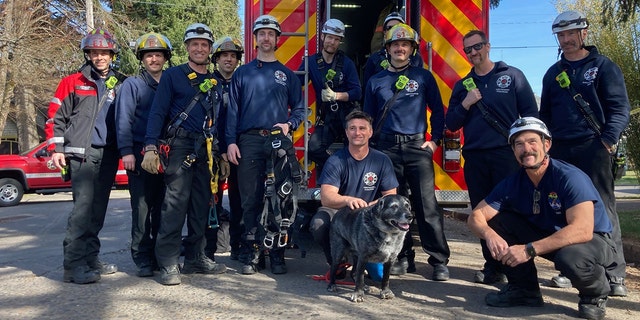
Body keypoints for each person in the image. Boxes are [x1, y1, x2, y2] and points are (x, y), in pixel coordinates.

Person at [467, 117, 617, 320]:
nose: (525, 149)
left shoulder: (569, 177)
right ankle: (524, 291)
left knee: (571, 258)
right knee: (497, 222)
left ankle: (595, 294)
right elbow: (476, 216)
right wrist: (489, 234)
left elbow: (582, 229)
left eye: (532, 142)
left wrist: (528, 250)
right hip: (551, 236)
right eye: (518, 144)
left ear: (547, 144)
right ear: (513, 151)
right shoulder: (513, 182)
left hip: (592, 242)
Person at [540, 10, 630, 296]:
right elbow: (546, 116)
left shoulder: (603, 66)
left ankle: (614, 273)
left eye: (570, 34)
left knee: (603, 207)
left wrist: (607, 141)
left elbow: (619, 108)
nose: (565, 40)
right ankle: (571, 268)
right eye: (561, 35)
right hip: (562, 150)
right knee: (564, 209)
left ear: (584, 33)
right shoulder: (553, 73)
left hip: (594, 146)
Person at [446, 29, 539, 284]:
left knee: (512, 210)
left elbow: (530, 114)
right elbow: (451, 122)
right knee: (482, 211)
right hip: (476, 158)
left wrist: (528, 150)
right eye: (468, 50)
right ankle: (493, 266)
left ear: (488, 46)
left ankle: (517, 265)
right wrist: (466, 103)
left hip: (507, 156)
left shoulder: (512, 76)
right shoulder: (463, 85)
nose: (473, 52)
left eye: (477, 47)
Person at [142, 23, 227, 286]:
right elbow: (157, 112)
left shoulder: (214, 82)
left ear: (210, 49)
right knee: (174, 205)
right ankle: (168, 262)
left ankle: (195, 257)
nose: (199, 48)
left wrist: (222, 154)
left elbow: (218, 120)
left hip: (207, 149)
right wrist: (150, 146)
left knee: (201, 205)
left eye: (204, 45)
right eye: (195, 44)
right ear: (187, 48)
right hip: (179, 148)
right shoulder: (173, 76)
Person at [363, 23, 449, 280]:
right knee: (392, 208)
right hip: (386, 149)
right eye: (395, 45)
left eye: (405, 45)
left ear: (412, 49)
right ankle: (401, 258)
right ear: (387, 49)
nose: (400, 48)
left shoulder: (423, 77)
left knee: (426, 206)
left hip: (416, 147)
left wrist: (435, 141)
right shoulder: (375, 81)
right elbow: (367, 118)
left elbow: (439, 111)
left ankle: (439, 261)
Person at [46, 28, 127, 284]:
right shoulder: (72, 81)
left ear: (112, 54)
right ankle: (73, 265)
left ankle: (91, 259)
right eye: (94, 52)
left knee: (98, 210)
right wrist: (56, 149)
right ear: (88, 54)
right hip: (82, 154)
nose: (99, 56)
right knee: (82, 210)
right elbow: (55, 117)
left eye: (104, 52)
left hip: (109, 154)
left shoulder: (121, 82)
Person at [226, 15, 305, 275]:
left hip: (277, 141)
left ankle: (278, 255)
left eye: (271, 34)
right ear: (255, 39)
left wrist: (290, 125)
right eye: (262, 34)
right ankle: (252, 254)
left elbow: (301, 109)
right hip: (248, 141)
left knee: (280, 200)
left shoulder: (287, 75)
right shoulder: (242, 73)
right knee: (251, 200)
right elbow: (233, 112)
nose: (266, 38)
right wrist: (230, 143)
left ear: (277, 39)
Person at [115, 32, 172, 277]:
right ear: (142, 59)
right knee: (141, 209)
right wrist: (126, 151)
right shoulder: (132, 85)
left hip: (167, 155)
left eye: (158, 55)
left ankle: (160, 256)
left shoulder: (170, 83)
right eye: (149, 55)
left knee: (163, 207)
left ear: (165, 58)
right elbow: (123, 120)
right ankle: (142, 257)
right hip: (139, 154)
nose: (154, 59)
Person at [310, 110, 398, 267]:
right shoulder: (335, 160)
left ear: (370, 132)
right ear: (346, 132)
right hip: (342, 213)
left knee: (377, 277)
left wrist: (370, 208)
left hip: (371, 215)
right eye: (352, 128)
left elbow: (391, 197)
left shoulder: (382, 160)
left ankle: (369, 261)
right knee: (319, 224)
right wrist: (348, 199)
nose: (357, 132)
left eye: (362, 128)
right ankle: (337, 262)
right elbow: (326, 198)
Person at [297, 18, 361, 180]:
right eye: (330, 37)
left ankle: (351, 183)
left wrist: (336, 96)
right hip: (328, 118)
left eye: (336, 39)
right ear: (323, 37)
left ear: (340, 42)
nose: (332, 42)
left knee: (356, 151)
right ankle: (337, 169)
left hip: (348, 115)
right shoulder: (311, 62)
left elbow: (357, 92)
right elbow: (296, 83)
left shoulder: (347, 64)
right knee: (313, 149)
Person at [204, 36, 244, 261]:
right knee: (211, 198)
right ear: (216, 59)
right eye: (224, 55)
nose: (229, 59)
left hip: (239, 150)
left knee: (239, 199)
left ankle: (237, 246)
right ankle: (209, 249)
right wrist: (218, 151)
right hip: (213, 152)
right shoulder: (208, 83)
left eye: (233, 56)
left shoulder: (243, 81)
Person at [362, 12, 424, 90]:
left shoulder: (416, 58)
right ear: (384, 32)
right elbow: (367, 89)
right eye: (389, 28)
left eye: (397, 26)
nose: (394, 30)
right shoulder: (374, 59)